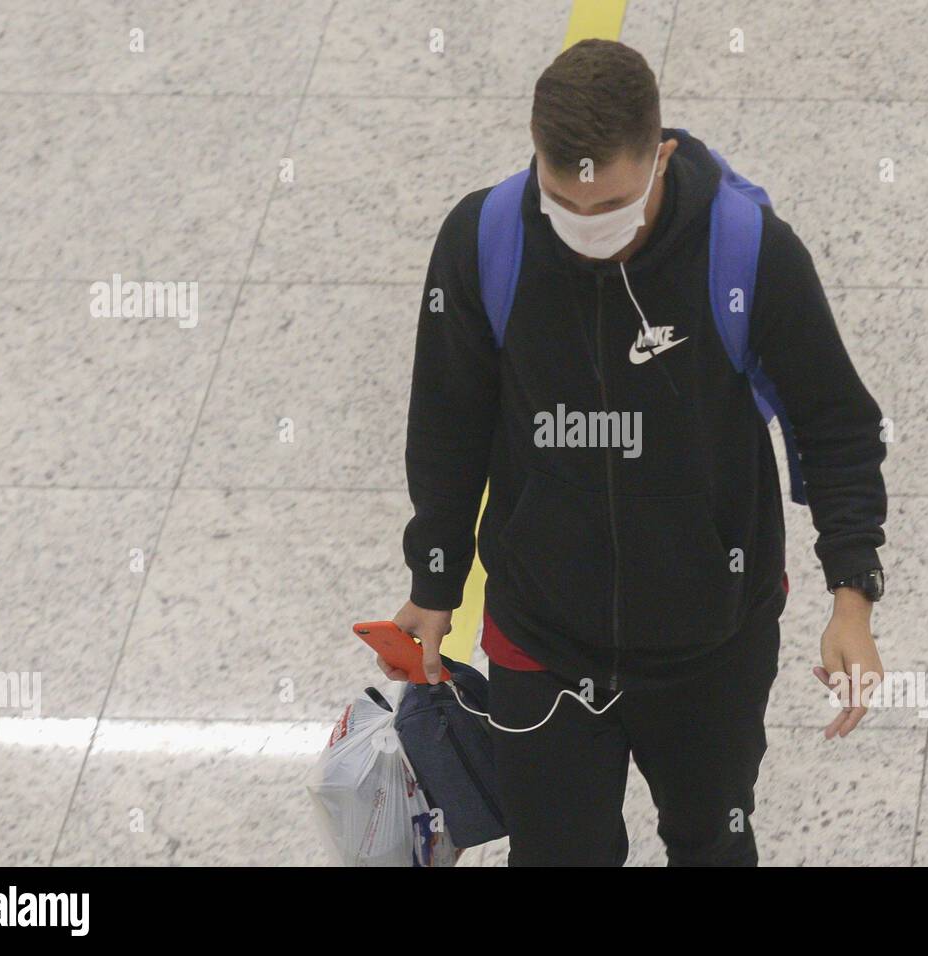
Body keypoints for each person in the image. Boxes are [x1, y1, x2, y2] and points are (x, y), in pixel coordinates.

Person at [380, 39, 888, 866]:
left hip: (711, 643)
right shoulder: (485, 242)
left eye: (610, 205)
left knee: (711, 845)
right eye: (563, 203)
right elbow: (447, 423)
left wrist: (852, 597)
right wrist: (434, 581)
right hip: (540, 636)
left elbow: (837, 426)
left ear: (661, 156)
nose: (586, 231)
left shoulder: (748, 251)